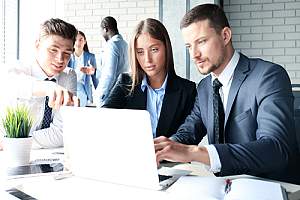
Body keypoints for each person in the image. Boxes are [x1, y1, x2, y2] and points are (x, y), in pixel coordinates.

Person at [154, 4, 300, 184]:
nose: (194, 54)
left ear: (225, 36)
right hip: (224, 186)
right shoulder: (205, 87)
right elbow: (189, 131)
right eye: (188, 46)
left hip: (270, 186)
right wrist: (162, 149)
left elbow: (275, 149)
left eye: (201, 42)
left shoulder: (268, 76)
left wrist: (195, 152)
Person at [103, 18, 196, 138]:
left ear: (166, 48)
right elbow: (103, 120)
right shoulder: (125, 83)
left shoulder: (187, 90)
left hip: (170, 156)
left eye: (154, 50)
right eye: (140, 52)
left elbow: (189, 135)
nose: (147, 59)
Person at [0, 18, 78, 149]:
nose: (60, 59)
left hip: (43, 155)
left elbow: (60, 133)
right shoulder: (15, 69)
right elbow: (10, 84)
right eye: (53, 50)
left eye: (67, 53)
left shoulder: (69, 76)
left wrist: (12, 144)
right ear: (37, 45)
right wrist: (47, 87)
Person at [95, 16, 129, 107]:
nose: (101, 34)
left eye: (101, 31)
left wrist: (100, 95)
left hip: (109, 95)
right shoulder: (125, 45)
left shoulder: (111, 45)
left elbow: (109, 75)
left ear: (105, 29)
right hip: (122, 93)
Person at [68, 31, 99, 107]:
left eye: (81, 39)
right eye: (75, 40)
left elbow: (95, 78)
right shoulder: (68, 56)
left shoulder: (91, 57)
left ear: (85, 41)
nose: (78, 42)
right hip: (69, 89)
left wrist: (100, 94)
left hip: (83, 89)